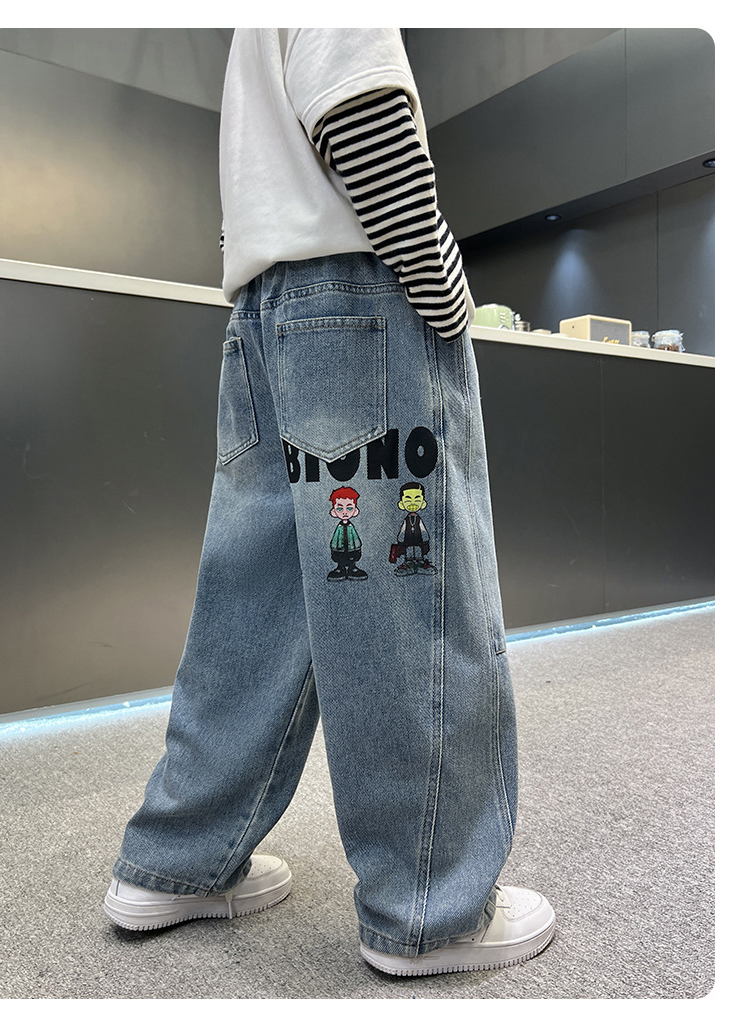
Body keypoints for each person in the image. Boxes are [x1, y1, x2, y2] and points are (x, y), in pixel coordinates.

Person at [104, 27, 555, 977]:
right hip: (360, 308)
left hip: (261, 315)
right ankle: (429, 904)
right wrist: (446, 298)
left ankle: (177, 858)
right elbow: (362, 112)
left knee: (256, 604)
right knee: (411, 608)